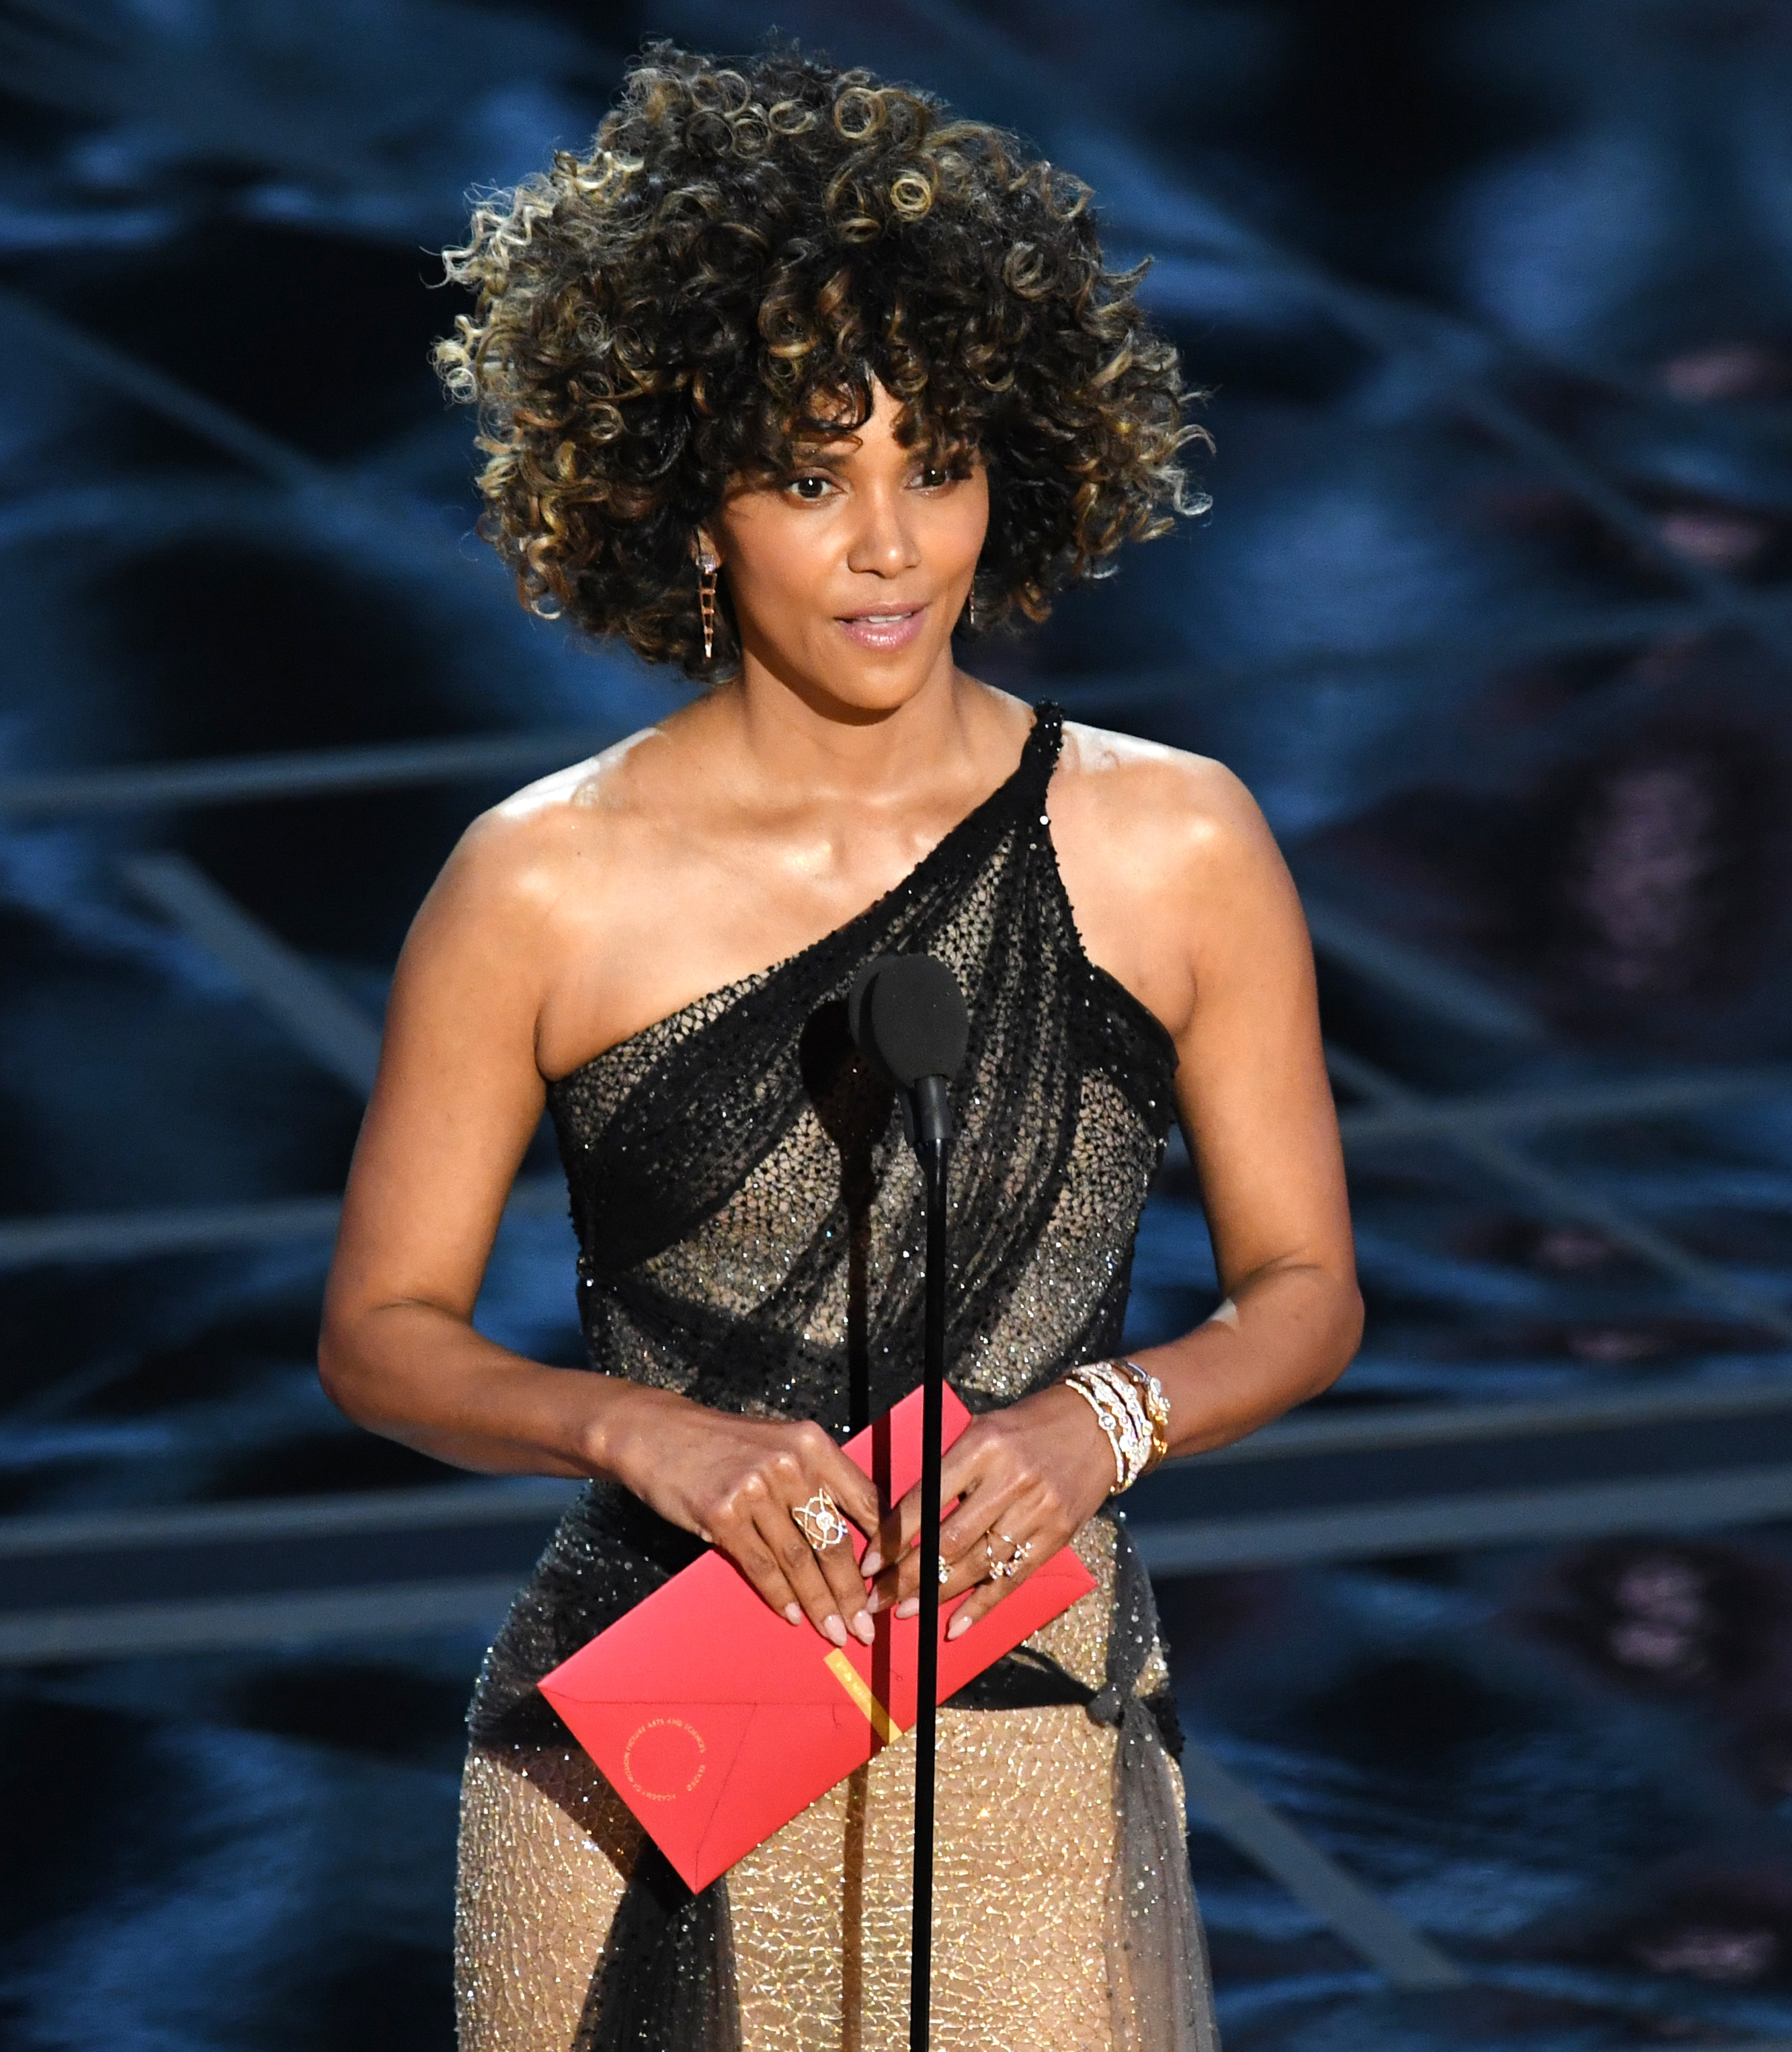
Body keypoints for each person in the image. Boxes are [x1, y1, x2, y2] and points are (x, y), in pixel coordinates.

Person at [319, 44, 1362, 2052]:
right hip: (643, 1728)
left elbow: (1305, 1290)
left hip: (1017, 1725)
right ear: (682, 500)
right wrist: (639, 1431)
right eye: (811, 476)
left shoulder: (1175, 840)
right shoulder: (537, 881)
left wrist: (1104, 1422)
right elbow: (384, 1332)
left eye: (936, 460)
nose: (889, 543)